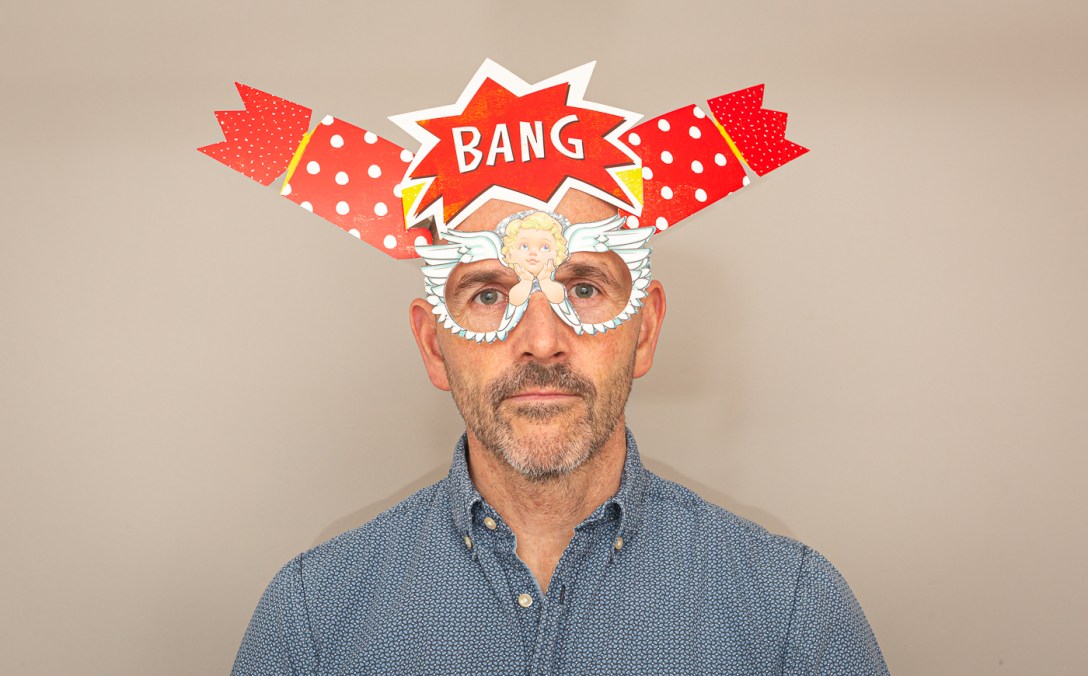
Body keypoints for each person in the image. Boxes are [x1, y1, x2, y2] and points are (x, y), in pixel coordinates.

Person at [231, 190, 889, 674]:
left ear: (645, 332)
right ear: (434, 347)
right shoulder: (312, 618)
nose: (542, 342)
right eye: (489, 295)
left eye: (584, 290)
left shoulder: (792, 611)